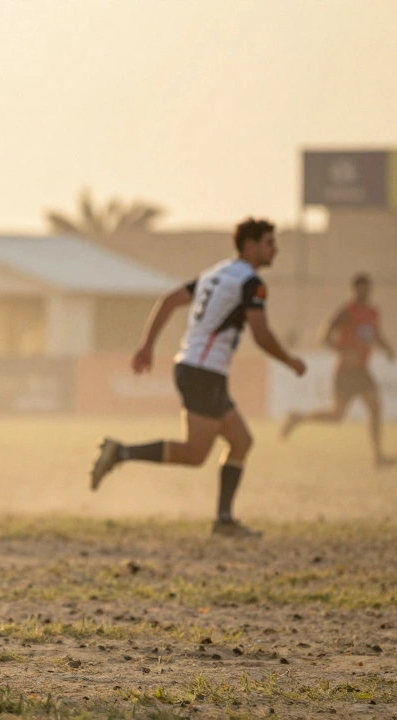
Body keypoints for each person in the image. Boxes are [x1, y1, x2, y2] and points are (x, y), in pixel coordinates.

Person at [89, 218, 307, 538]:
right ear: (250, 245)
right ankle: (120, 453)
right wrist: (290, 361)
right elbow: (261, 334)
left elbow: (168, 300)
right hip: (204, 372)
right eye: (268, 242)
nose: (274, 249)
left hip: (198, 369)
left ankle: (224, 520)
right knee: (194, 454)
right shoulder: (250, 283)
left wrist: (147, 345)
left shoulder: (215, 273)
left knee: (241, 441)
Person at [281, 273, 397, 467]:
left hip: (362, 370)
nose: (365, 292)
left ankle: (378, 456)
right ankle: (298, 418)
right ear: (354, 289)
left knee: (375, 407)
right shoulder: (346, 311)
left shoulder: (373, 312)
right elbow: (324, 335)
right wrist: (343, 351)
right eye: (361, 288)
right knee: (337, 416)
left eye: (367, 288)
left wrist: (387, 349)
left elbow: (375, 334)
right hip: (345, 371)